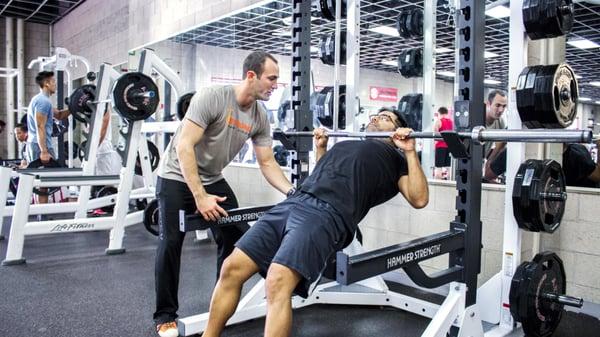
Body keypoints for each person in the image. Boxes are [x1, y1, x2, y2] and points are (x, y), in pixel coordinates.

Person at [202, 110, 429, 337]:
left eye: (385, 117)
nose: (375, 118)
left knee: (277, 281)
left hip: (328, 214)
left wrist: (409, 151)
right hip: (295, 201)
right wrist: (321, 149)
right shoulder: (347, 144)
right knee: (231, 268)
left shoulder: (395, 159)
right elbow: (324, 174)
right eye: (374, 115)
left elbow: (419, 199)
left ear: (396, 131)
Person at [153, 50, 294, 337]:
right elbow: (184, 147)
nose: (274, 85)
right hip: (175, 174)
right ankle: (165, 316)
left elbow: (267, 162)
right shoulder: (213, 97)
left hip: (213, 177)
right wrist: (200, 196)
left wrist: (292, 192)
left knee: (235, 236)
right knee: (171, 242)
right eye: (271, 78)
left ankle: (221, 300)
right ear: (251, 75)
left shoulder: (259, 115)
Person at [26, 71, 70, 165]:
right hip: (40, 146)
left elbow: (59, 115)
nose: (55, 84)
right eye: (53, 81)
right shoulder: (43, 101)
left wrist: (74, 107)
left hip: (36, 144)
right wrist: (44, 151)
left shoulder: (40, 99)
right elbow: (40, 126)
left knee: (43, 177)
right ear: (47, 83)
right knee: (47, 176)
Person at [483, 89, 508, 160]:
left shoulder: (500, 121)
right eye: (497, 105)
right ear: (488, 104)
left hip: (481, 160)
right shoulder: (477, 119)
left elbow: (503, 142)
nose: (501, 110)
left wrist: (490, 161)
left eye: (504, 106)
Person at [433, 106, 453, 179]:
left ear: (439, 113)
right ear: (447, 113)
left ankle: (438, 186)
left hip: (440, 146)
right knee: (449, 168)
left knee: (438, 168)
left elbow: (435, 136)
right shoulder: (451, 122)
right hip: (449, 146)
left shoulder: (438, 121)